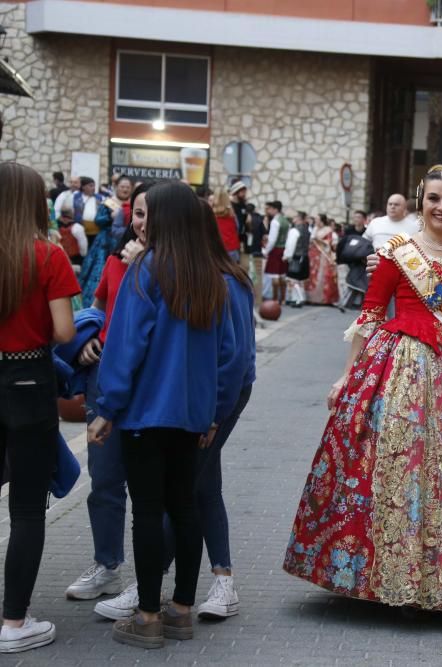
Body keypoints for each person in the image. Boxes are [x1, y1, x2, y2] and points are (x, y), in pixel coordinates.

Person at [284, 165, 442, 613]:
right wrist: (346, 373)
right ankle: (385, 577)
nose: (441, 207)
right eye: (433, 199)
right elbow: (370, 313)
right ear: (420, 201)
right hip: (400, 370)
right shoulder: (396, 252)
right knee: (399, 470)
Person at [87, 181, 240, 649]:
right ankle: (180, 610)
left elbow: (124, 348)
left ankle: (148, 615)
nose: (143, 220)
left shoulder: (144, 272)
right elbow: (228, 355)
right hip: (193, 415)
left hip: (145, 415)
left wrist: (106, 408)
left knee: (148, 513)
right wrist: (213, 413)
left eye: (149, 212)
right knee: (185, 507)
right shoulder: (213, 277)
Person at [157, 199, 255, 621]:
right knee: (202, 486)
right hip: (201, 396)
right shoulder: (187, 273)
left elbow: (234, 362)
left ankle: (149, 578)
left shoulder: (225, 281)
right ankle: (224, 581)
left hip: (220, 397)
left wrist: (213, 416)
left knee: (181, 487)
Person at [0, 162, 78, 654]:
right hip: (28, 384)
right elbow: (66, 332)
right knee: (27, 509)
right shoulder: (48, 256)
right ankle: (13, 623)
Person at [64, 182, 151, 608]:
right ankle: (107, 566)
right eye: (137, 212)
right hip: (104, 378)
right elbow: (98, 306)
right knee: (104, 479)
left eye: (150, 212)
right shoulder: (116, 262)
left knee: (152, 487)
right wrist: (87, 339)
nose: (142, 221)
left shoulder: (178, 266)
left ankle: (150, 578)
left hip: (151, 385)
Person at [77, 177, 131, 308]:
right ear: (117, 187)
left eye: (127, 187)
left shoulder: (133, 204)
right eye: (122, 186)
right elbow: (98, 220)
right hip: (104, 242)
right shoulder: (107, 202)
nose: (125, 189)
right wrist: (109, 217)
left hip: (123, 243)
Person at [336, 211, 373, 309]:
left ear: (364, 219)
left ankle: (356, 302)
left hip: (360, 262)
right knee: (344, 281)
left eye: (359, 217)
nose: (356, 219)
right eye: (355, 217)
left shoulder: (367, 232)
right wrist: (339, 260)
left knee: (358, 281)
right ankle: (343, 301)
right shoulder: (348, 231)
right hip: (346, 260)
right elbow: (341, 245)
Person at [304, 214, 340, 306]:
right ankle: (312, 298)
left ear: (321, 221)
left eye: (317, 219)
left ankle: (323, 299)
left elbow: (328, 243)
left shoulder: (328, 230)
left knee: (322, 277)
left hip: (323, 256)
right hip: (313, 256)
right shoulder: (315, 229)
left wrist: (318, 240)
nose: (315, 221)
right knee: (312, 276)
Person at [261, 200, 289, 302]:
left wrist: (266, 251)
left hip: (275, 250)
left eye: (271, 209)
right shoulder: (286, 221)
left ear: (276, 209)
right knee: (282, 274)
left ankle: (275, 298)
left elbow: (272, 239)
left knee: (274, 275)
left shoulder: (275, 221)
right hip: (283, 249)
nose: (269, 211)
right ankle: (283, 298)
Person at [283, 212, 310, 307]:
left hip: (296, 257)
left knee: (292, 279)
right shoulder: (307, 230)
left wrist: (286, 255)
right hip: (305, 256)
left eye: (294, 216)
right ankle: (297, 298)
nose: (293, 218)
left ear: (299, 218)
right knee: (299, 280)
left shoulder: (294, 230)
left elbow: (290, 245)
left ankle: (299, 299)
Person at [213, 188, 241, 263]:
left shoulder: (210, 215)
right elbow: (237, 228)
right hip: (232, 249)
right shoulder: (232, 215)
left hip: (216, 249)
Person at [56, 202, 88, 266]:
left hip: (60, 258)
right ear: (72, 214)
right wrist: (83, 255)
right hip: (75, 259)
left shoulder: (56, 227)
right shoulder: (77, 227)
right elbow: (83, 246)